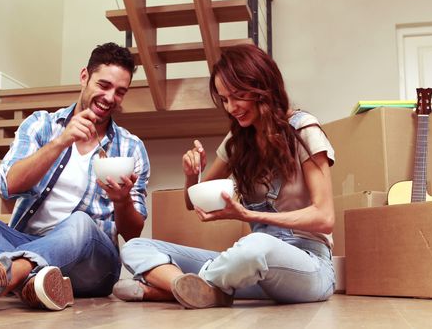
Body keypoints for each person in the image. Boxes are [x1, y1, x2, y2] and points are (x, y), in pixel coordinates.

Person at [113, 44, 336, 309]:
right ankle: (193, 289)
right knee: (135, 247)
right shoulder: (239, 140)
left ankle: (178, 288)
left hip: (310, 266)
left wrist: (249, 216)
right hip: (252, 265)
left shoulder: (304, 129)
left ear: (262, 87)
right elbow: (192, 202)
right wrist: (191, 177)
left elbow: (324, 218)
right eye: (224, 99)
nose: (231, 108)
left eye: (237, 96)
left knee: (255, 246)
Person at [0, 42, 150, 312]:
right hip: (29, 239)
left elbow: (133, 232)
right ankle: (35, 285)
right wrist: (61, 141)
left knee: (80, 222)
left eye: (120, 92)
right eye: (103, 85)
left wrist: (122, 200)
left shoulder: (131, 148)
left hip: (91, 262)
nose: (110, 97)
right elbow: (9, 185)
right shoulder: (41, 125)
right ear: (84, 77)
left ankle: (9, 274)